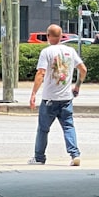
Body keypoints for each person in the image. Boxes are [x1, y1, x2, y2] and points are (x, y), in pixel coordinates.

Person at [28, 24, 88, 166]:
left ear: (48, 36)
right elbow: (83, 69)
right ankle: (75, 155)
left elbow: (41, 73)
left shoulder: (46, 52)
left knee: (43, 129)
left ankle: (39, 157)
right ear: (61, 36)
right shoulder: (71, 51)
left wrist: (33, 94)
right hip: (66, 98)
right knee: (68, 126)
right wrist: (77, 86)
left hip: (49, 99)